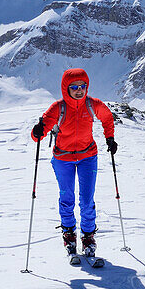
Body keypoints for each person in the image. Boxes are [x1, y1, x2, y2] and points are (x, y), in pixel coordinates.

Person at [31, 68, 117, 261]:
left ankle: (88, 237)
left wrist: (110, 138)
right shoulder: (58, 108)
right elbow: (41, 130)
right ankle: (69, 234)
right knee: (67, 198)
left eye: (82, 86)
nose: (79, 90)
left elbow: (107, 117)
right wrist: (37, 132)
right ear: (66, 88)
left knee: (87, 200)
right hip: (63, 159)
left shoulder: (91, 104)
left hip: (88, 156)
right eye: (74, 87)